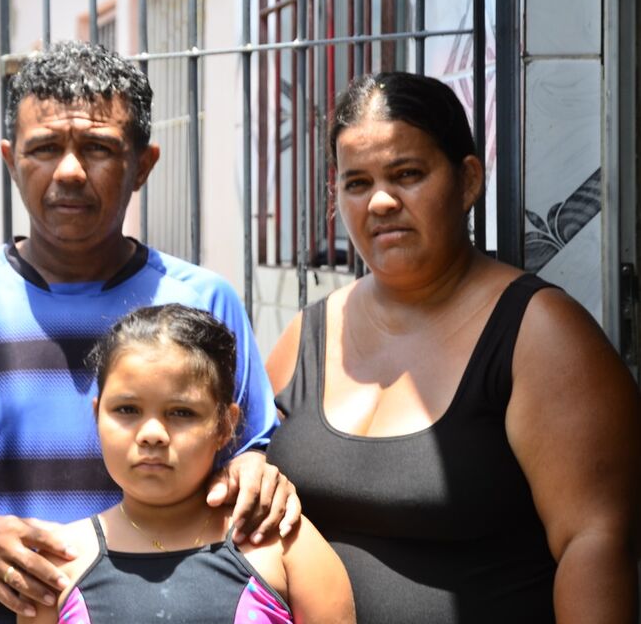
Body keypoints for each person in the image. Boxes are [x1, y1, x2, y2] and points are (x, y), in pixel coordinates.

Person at [0, 41, 299, 623]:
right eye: (45, 148)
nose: (70, 171)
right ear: (11, 160)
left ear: (143, 163)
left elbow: (251, 453)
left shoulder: (203, 301)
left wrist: (255, 470)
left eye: (99, 148)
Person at [264, 71, 641, 623]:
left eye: (407, 174)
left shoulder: (539, 334)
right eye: (357, 183)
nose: (382, 202)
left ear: (467, 181)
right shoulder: (308, 335)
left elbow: (596, 544)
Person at [19, 304, 355, 624]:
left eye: (181, 413)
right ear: (96, 414)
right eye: (127, 410)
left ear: (225, 426)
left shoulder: (283, 544)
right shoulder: (57, 563)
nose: (152, 434)